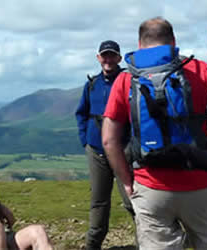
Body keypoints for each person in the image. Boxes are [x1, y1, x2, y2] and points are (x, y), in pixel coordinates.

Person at [102, 17, 207, 249]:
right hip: (200, 180)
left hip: (150, 184)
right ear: (173, 41)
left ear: (139, 44)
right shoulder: (200, 70)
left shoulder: (126, 78)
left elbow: (108, 139)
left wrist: (126, 180)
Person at [75, 40, 136, 250]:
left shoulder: (129, 81)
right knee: (99, 202)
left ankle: (147, 243)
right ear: (98, 58)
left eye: (112, 55)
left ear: (119, 58)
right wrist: (86, 140)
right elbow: (81, 113)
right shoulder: (91, 85)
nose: (108, 60)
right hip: (96, 151)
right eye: (104, 55)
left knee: (132, 200)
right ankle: (93, 246)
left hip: (122, 150)